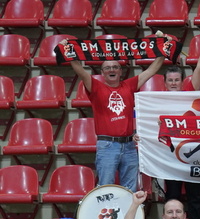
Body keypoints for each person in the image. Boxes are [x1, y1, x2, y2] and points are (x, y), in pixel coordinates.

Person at [65, 46, 166, 191]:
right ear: (102, 73)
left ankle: (128, 214)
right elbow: (80, 71)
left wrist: (163, 50)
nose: (111, 70)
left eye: (115, 67)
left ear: (120, 71)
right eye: (107, 68)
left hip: (129, 146)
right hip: (107, 146)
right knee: (106, 188)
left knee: (131, 190)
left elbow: (151, 71)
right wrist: (69, 50)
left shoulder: (130, 85)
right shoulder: (96, 87)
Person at [162, 30, 200, 219]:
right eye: (171, 80)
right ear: (165, 83)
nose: (174, 83)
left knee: (194, 199)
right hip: (168, 157)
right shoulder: (157, 100)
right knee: (173, 197)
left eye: (177, 80)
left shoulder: (189, 92)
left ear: (182, 81)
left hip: (193, 155)